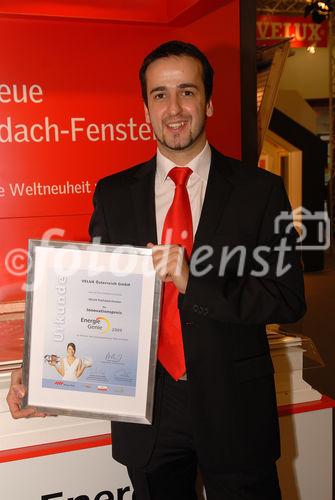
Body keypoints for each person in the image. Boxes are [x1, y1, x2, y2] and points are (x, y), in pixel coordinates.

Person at [7, 40, 306, 499]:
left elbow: (288, 296)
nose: (175, 109)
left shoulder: (260, 192)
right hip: (147, 411)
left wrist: (196, 283)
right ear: (145, 108)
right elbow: (93, 298)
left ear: (209, 101)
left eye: (187, 92)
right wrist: (45, 377)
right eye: (160, 95)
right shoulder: (113, 194)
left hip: (234, 408)